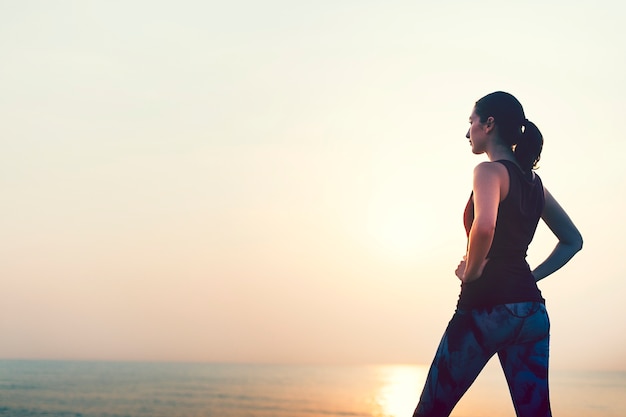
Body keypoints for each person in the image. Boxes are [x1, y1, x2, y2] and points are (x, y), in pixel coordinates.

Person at [412, 91, 583, 417]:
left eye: (471, 122)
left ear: (488, 124)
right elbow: (573, 241)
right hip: (531, 312)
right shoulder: (535, 185)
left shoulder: (487, 172)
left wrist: (472, 272)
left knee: (430, 410)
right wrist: (529, 278)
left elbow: (485, 226)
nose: (467, 132)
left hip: (484, 310)